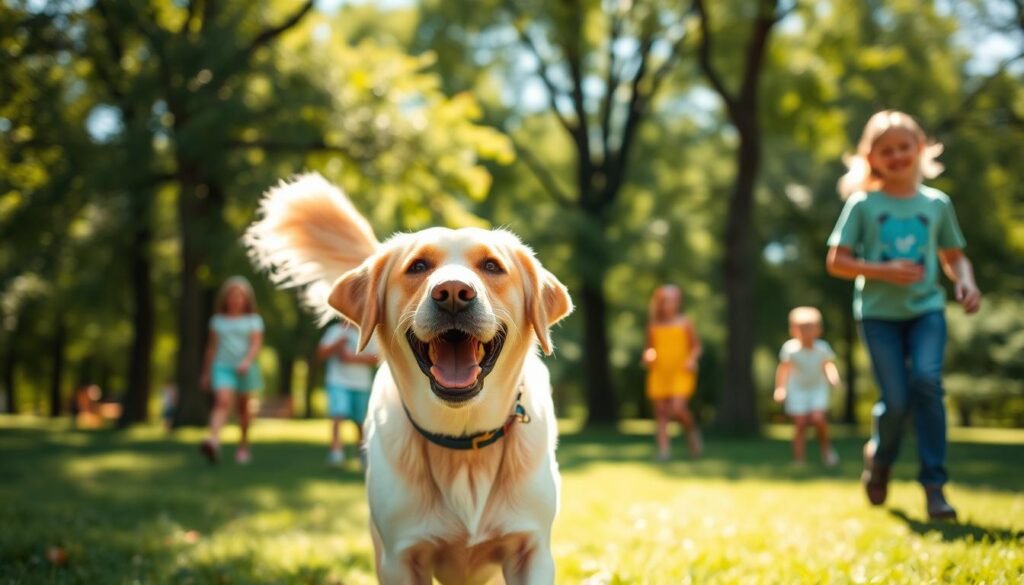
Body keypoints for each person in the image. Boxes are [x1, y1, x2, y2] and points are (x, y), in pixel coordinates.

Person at [826, 110, 981, 520]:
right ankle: (881, 458)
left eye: (904, 147)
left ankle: (934, 487)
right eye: (886, 150)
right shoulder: (863, 204)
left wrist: (965, 281)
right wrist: (884, 271)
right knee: (895, 402)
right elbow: (837, 261)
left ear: (921, 148)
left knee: (927, 384)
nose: (896, 156)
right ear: (871, 158)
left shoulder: (936, 204)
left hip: (927, 311)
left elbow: (954, 257)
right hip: (878, 315)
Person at [199, 276, 264, 465]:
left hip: (246, 368)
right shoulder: (217, 321)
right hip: (223, 366)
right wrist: (206, 372)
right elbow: (211, 348)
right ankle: (214, 441)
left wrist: (246, 361)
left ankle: (243, 445)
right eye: (232, 295)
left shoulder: (253, 320)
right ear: (225, 298)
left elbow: (256, 344)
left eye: (240, 296)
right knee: (222, 402)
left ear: (246, 299)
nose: (236, 299)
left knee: (243, 409)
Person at [773, 306, 840, 467]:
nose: (805, 333)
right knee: (800, 423)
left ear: (818, 330)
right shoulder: (790, 349)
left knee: (818, 419)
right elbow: (783, 369)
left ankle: (826, 451)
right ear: (793, 330)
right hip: (798, 390)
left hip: (817, 389)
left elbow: (828, 366)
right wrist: (780, 388)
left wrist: (834, 378)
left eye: (809, 328)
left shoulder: (822, 348)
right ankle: (799, 459)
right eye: (801, 329)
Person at [642, 285, 703, 461]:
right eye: (665, 301)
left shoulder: (685, 322)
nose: (669, 305)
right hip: (660, 371)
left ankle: (692, 433)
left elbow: (696, 346)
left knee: (677, 408)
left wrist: (691, 359)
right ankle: (664, 451)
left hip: (681, 371)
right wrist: (648, 355)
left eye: (672, 301)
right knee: (661, 412)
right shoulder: (654, 324)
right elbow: (649, 347)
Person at [318, 319, 379, 466]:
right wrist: (337, 344)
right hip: (337, 381)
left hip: (360, 384)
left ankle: (362, 451)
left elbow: (377, 357)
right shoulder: (335, 331)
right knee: (337, 415)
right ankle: (336, 452)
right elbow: (321, 353)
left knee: (360, 421)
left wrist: (352, 359)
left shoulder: (369, 332)